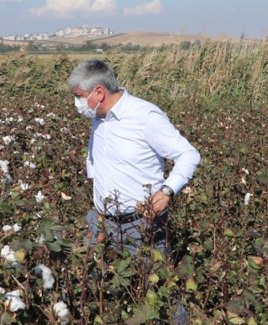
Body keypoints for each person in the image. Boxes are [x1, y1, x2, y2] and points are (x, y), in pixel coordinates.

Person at [68, 60, 201, 256]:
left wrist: (166, 192)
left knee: (148, 283)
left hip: (142, 225)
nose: (76, 104)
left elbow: (188, 154)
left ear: (99, 93)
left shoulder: (144, 116)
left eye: (79, 97)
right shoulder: (98, 118)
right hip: (104, 223)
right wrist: (100, 217)